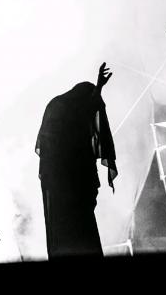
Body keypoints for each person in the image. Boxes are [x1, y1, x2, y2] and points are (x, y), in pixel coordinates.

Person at [35, 62, 118, 259]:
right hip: (71, 188)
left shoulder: (58, 108)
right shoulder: (67, 112)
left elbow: (87, 109)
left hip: (62, 189)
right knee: (80, 235)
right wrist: (98, 88)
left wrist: (98, 89)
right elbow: (87, 109)